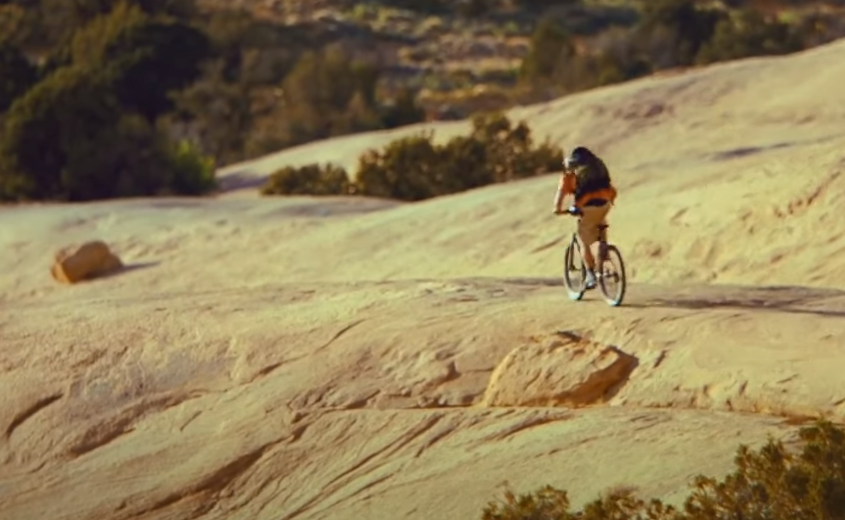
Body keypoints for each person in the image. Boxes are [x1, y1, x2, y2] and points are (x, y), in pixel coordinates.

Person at [553, 146, 617, 289]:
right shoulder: (598, 167)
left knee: (584, 242)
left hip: (587, 209)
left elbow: (558, 202)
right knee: (599, 228)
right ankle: (604, 255)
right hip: (605, 205)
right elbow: (611, 189)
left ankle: (590, 275)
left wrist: (558, 210)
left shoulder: (569, 177)